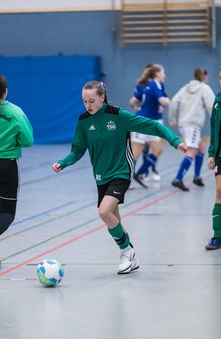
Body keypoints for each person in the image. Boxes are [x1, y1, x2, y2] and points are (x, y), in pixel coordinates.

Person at [53, 80, 187, 274]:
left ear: (102, 97)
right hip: (101, 175)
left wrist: (175, 141)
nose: (88, 105)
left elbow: (153, 126)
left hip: (121, 171)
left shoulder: (118, 116)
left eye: (91, 100)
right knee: (112, 218)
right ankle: (129, 255)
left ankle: (127, 251)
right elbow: (77, 150)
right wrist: (63, 162)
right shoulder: (83, 121)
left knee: (104, 211)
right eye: (84, 101)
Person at [0, 73, 33, 267]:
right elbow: (28, 140)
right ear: (5, 91)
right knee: (7, 214)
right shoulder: (15, 112)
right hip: (6, 165)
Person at [169, 68, 215, 191]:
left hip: (184, 124)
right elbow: (213, 106)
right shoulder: (204, 88)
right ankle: (178, 178)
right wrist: (217, 121)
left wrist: (172, 118)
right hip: (193, 125)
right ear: (205, 77)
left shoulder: (185, 88)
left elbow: (173, 102)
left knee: (201, 150)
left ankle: (197, 177)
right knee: (192, 151)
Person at [132, 64, 170, 188]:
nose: (165, 74)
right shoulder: (153, 84)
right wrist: (174, 102)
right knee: (136, 152)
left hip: (152, 123)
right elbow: (163, 100)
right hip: (142, 122)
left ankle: (139, 173)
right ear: (157, 73)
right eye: (163, 72)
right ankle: (122, 179)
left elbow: (163, 98)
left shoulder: (160, 85)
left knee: (158, 150)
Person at [205, 68, 221, 250]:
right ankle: (218, 236)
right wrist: (211, 153)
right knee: (219, 191)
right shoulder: (217, 102)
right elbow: (213, 129)